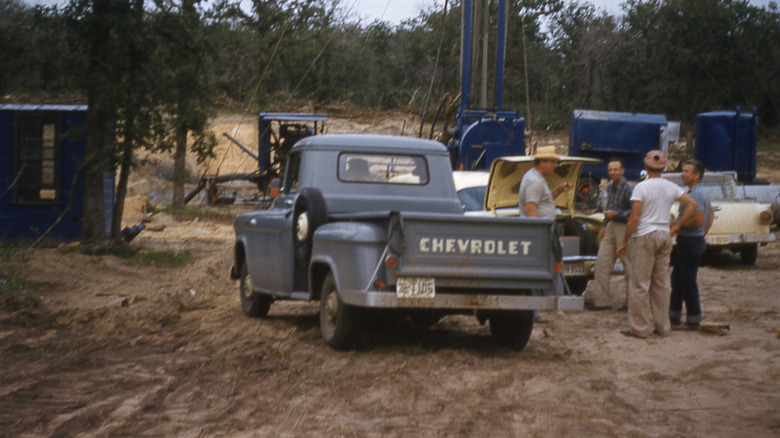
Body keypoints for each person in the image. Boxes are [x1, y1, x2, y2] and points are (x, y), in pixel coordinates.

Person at [616, 150, 698, 339]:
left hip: (645, 235)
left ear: (645, 166)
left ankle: (639, 328)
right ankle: (663, 326)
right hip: (664, 235)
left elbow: (634, 218)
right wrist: (677, 225)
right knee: (662, 284)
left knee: (640, 283)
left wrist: (624, 241)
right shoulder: (670, 186)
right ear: (664, 167)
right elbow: (692, 204)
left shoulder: (641, 188)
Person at [518, 145, 573, 323]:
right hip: (540, 233)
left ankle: (546, 306)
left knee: (546, 267)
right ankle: (540, 308)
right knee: (540, 269)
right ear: (543, 163)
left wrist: (559, 190)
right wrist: (539, 237)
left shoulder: (536, 178)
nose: (555, 166)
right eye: (553, 162)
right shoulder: (534, 181)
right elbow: (531, 208)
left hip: (543, 231)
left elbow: (542, 201)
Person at [670, 159, 714, 330]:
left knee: (687, 281)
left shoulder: (695, 195)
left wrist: (677, 225)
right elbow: (709, 217)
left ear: (696, 175)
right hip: (692, 240)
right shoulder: (700, 192)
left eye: (687, 171)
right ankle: (674, 316)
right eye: (683, 170)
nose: (683, 173)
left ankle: (693, 319)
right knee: (678, 278)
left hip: (690, 242)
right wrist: (703, 233)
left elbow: (698, 220)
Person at [588, 158, 633, 310]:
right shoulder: (609, 187)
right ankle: (603, 302)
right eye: (610, 170)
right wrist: (605, 224)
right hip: (611, 226)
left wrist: (616, 214)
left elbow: (634, 212)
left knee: (628, 266)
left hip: (625, 227)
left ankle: (630, 302)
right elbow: (609, 207)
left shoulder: (628, 188)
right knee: (601, 264)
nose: (612, 172)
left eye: (615, 169)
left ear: (622, 171)